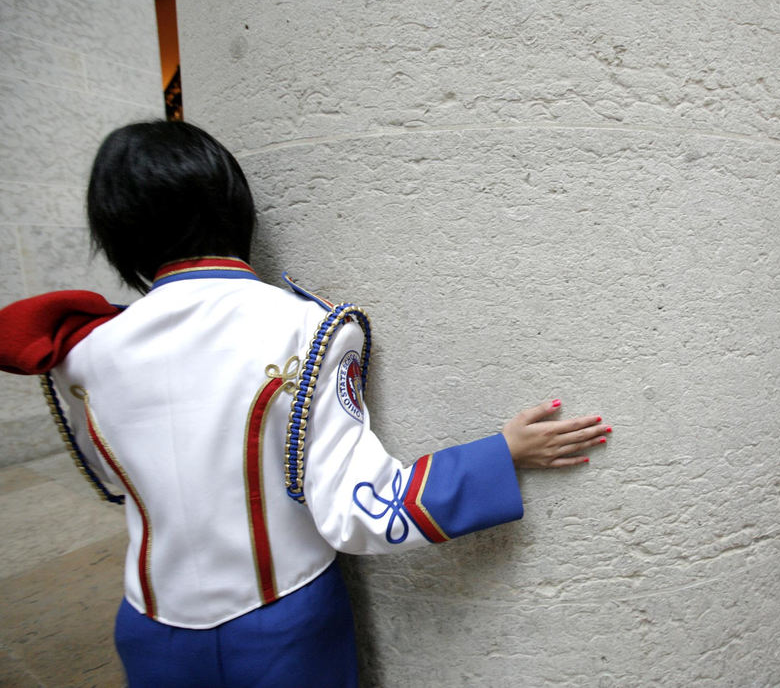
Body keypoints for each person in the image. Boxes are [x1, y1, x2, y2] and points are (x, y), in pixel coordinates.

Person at [0, 121, 611, 687]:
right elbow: (359, 511)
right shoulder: (307, 329)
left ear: (116, 229)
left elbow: (114, 481)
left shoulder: (75, 352)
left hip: (149, 627)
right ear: (234, 207)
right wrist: (499, 456)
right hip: (282, 628)